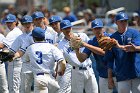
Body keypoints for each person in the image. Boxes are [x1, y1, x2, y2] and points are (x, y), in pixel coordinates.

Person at [73, 19, 117, 93]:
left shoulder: (111, 37)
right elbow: (82, 58)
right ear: (92, 30)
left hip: (117, 73)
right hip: (103, 75)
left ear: (103, 28)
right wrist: (77, 49)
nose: (97, 30)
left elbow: (104, 52)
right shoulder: (92, 42)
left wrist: (84, 44)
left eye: (99, 28)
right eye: (95, 28)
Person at [58, 20, 98, 93]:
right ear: (61, 30)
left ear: (71, 27)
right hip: (76, 71)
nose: (68, 30)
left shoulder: (82, 36)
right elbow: (61, 59)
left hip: (89, 68)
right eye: (65, 28)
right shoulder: (61, 44)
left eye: (69, 27)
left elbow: (91, 48)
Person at [104, 12, 140, 93]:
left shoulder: (134, 33)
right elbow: (110, 59)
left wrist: (119, 46)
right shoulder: (112, 38)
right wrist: (109, 78)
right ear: (116, 22)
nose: (124, 23)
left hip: (136, 72)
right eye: (121, 21)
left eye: (125, 21)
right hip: (122, 74)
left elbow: (133, 48)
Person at [23, 27, 66, 93]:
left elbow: (26, 61)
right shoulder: (52, 47)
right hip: (51, 79)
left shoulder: (30, 48)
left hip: (39, 78)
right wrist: (61, 70)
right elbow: (62, 62)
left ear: (34, 38)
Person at [9, 15, 34, 93]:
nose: (27, 25)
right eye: (25, 23)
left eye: (28, 23)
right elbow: (12, 50)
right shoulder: (20, 37)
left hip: (38, 64)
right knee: (25, 89)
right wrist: (8, 55)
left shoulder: (38, 34)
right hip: (26, 64)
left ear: (32, 23)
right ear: (22, 24)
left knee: (40, 88)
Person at [0, 14, 23, 93]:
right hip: (18, 61)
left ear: (15, 22)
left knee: (13, 88)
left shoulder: (13, 33)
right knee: (16, 87)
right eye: (7, 22)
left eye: (11, 22)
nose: (9, 24)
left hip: (14, 62)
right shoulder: (18, 31)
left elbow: (2, 46)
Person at [49, 16, 71, 93]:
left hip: (68, 64)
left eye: (56, 23)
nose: (54, 26)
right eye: (52, 24)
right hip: (60, 64)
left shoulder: (65, 34)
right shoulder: (55, 35)